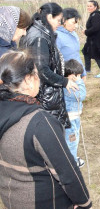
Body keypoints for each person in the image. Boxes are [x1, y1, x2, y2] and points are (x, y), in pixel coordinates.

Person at [0, 51, 92, 208]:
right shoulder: (40, 122)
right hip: (46, 202)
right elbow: (67, 172)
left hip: (12, 199)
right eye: (36, 73)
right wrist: (84, 202)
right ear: (28, 80)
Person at [20, 2, 78, 129]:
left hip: (43, 93)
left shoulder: (38, 31)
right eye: (58, 20)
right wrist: (64, 81)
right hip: (45, 96)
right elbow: (43, 70)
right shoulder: (39, 38)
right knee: (50, 132)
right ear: (49, 17)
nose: (59, 23)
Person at [63, 59, 87, 168]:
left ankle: (72, 157)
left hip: (74, 118)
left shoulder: (69, 84)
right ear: (72, 76)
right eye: (78, 76)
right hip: (70, 120)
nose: (80, 78)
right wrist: (80, 82)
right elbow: (81, 95)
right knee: (72, 141)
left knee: (74, 139)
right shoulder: (68, 87)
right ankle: (72, 163)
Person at [56, 8, 87, 80]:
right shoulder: (57, 36)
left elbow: (76, 55)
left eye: (77, 23)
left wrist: (83, 73)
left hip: (77, 74)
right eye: (74, 23)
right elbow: (55, 62)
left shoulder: (74, 34)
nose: (76, 26)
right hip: (66, 77)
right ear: (64, 20)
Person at [82, 0, 100, 78]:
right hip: (91, 39)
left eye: (90, 6)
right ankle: (87, 70)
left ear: (95, 7)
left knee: (97, 56)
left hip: (97, 39)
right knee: (86, 51)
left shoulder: (96, 15)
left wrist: (86, 31)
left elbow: (96, 28)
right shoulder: (93, 14)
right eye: (88, 6)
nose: (88, 7)